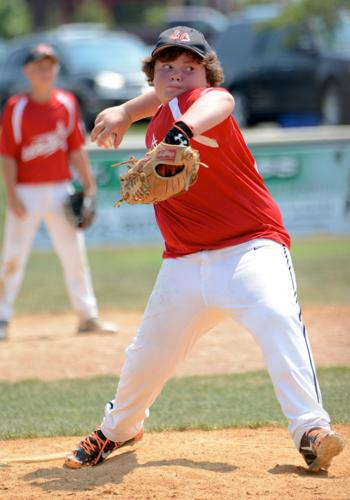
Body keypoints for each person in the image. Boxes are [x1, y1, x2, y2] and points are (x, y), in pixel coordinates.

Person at [65, 27, 345, 472]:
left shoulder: (203, 104)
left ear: (206, 74)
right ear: (154, 74)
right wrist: (122, 111)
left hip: (251, 248)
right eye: (167, 66)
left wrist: (180, 134)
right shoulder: (165, 102)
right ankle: (118, 431)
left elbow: (222, 101)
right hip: (183, 262)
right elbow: (157, 96)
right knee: (145, 356)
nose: (177, 74)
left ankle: (310, 430)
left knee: (277, 319)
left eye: (189, 67)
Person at [0, 43, 117, 340]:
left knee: (74, 255)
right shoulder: (17, 107)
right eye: (38, 64)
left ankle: (87, 316)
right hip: (26, 191)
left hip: (59, 189)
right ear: (27, 70)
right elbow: (8, 154)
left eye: (50, 64)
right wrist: (11, 195)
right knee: (13, 256)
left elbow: (75, 146)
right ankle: (2, 317)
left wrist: (89, 184)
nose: (45, 70)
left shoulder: (66, 102)